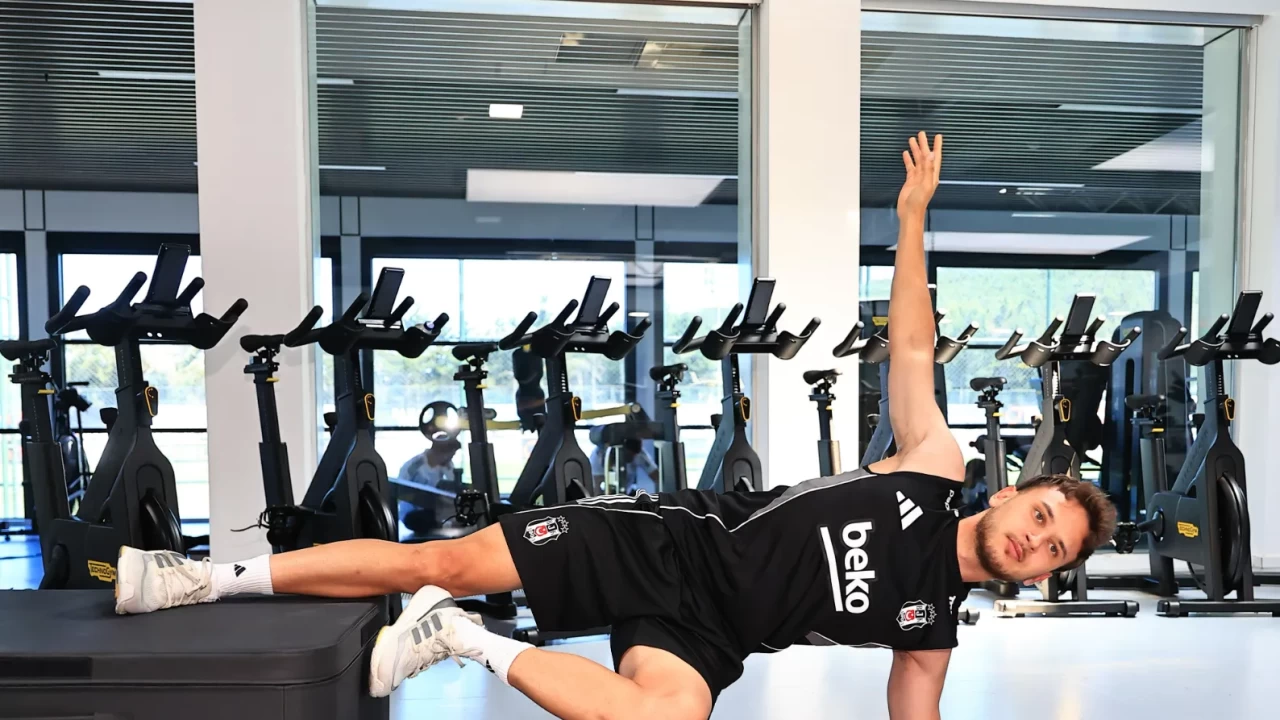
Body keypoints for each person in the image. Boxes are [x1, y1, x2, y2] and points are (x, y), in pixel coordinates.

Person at [111, 133, 1117, 720]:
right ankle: (204, 577)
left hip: (711, 632)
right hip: (667, 540)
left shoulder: (929, 632)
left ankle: (459, 639)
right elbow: (913, 349)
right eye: (1040, 516)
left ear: (1042, 576)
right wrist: (910, 220)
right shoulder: (932, 467)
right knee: (445, 558)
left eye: (1051, 551)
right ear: (1011, 493)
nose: (1033, 541)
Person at [590, 436, 659, 494]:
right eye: (629, 455)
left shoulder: (639, 454)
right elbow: (596, 488)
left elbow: (657, 476)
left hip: (625, 493)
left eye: (633, 455)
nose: (632, 458)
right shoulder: (598, 457)